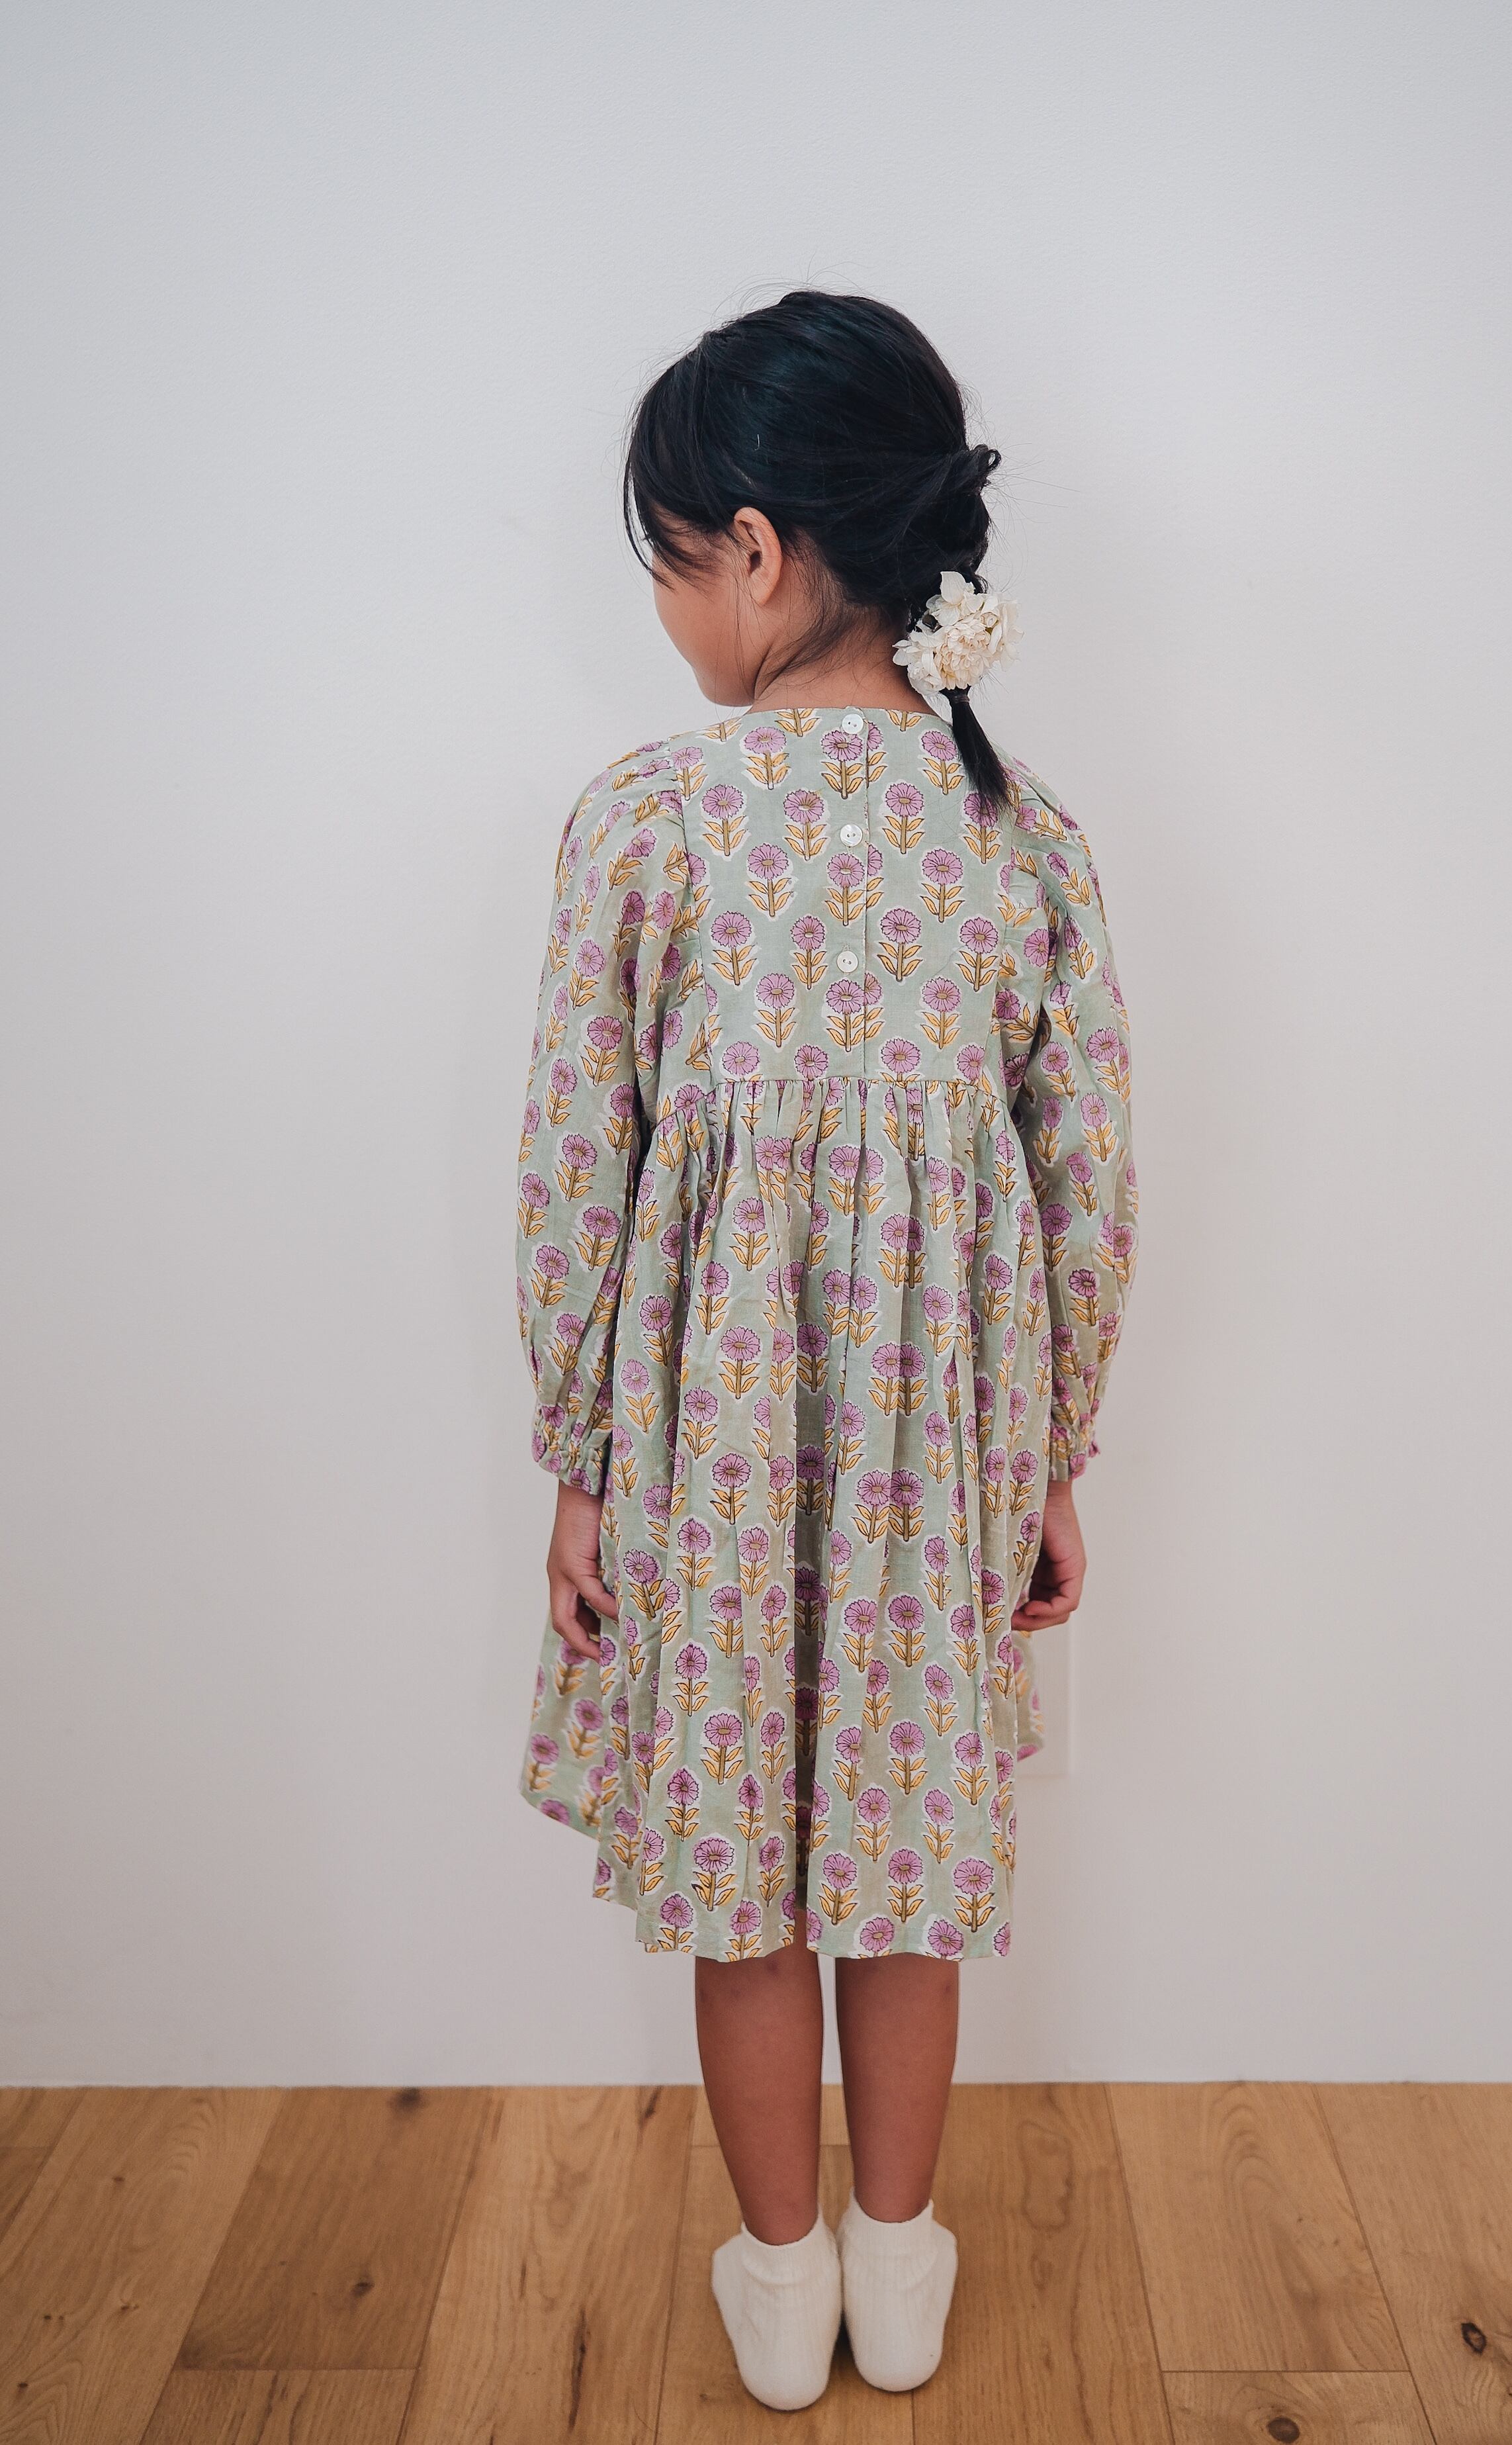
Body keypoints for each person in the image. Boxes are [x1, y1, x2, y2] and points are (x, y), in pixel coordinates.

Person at [513, 291, 1138, 2410]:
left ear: (763, 555)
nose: (667, 608)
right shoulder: (1022, 838)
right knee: (903, 1882)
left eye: (671, 562)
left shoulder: (648, 825)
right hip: (939, 1457)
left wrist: (583, 1461)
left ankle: (781, 2291)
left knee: (749, 1889)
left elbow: (577, 1177)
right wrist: (1051, 1454)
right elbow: (1087, 1185)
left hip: (706, 1456)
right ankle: (899, 2268)